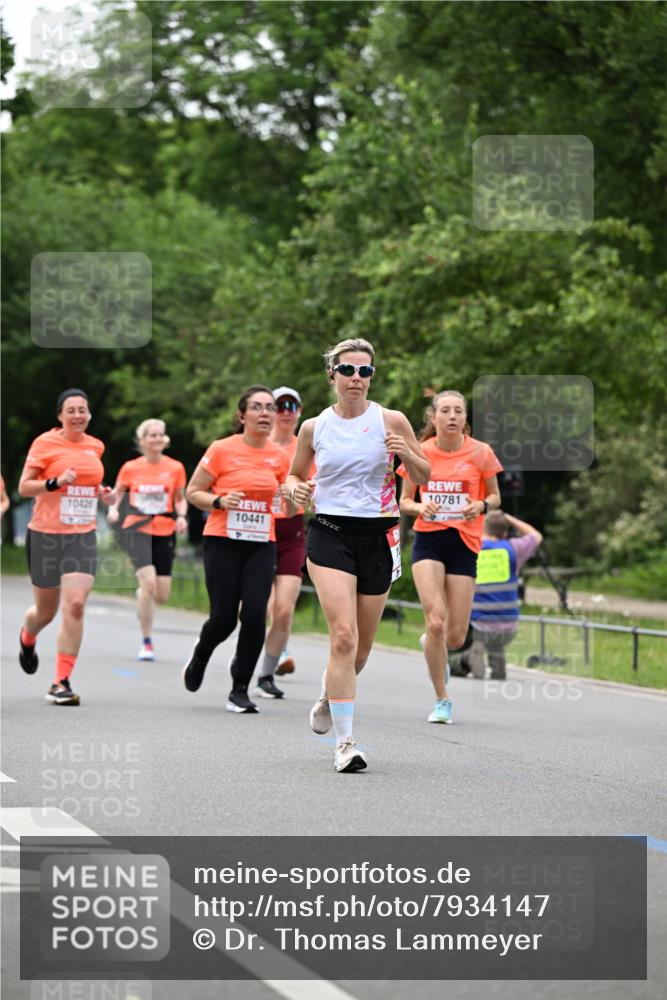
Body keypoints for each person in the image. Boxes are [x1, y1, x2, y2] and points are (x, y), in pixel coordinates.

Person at [287, 338, 430, 773]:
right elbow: (294, 475)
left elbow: (425, 473)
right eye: (348, 371)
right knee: (343, 637)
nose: (356, 379)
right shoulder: (315, 427)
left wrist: (407, 454)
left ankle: (331, 695)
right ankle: (345, 743)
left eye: (365, 372)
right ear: (332, 375)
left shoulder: (391, 419)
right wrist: (295, 489)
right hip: (330, 532)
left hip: (380, 535)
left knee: (361, 649)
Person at [182, 386, 293, 713]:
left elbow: (286, 506)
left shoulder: (280, 456)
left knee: (257, 611)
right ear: (242, 416)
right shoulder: (221, 449)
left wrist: (295, 497)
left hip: (261, 543)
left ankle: (239, 687)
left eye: (269, 408)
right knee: (223, 619)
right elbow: (193, 491)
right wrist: (219, 501)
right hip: (222, 541)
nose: (265, 413)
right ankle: (202, 652)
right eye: (257, 407)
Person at [399, 390, 502, 724]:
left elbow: (496, 497)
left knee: (455, 636)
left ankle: (433, 641)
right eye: (446, 410)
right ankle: (442, 698)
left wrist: (481, 505)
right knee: (436, 620)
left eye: (458, 410)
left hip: (465, 543)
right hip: (428, 540)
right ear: (434, 417)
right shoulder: (421, 453)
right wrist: (419, 506)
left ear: (464, 417)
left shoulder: (481, 452)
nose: (452, 416)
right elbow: (404, 502)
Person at [17, 389, 113, 705]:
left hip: (81, 535)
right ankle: (28, 637)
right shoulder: (45, 444)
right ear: (60, 415)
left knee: (75, 604)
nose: (78, 416)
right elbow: (24, 487)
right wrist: (54, 483)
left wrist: (104, 495)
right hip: (45, 534)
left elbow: (89, 485)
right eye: (71, 410)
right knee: (45, 612)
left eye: (83, 410)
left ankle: (61, 682)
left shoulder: (95, 446)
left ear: (89, 414)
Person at [107, 419, 188, 661]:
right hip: (136, 529)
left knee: (161, 594)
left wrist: (182, 516)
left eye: (160, 435)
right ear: (142, 440)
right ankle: (146, 642)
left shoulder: (175, 468)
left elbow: (180, 498)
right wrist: (112, 509)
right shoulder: (130, 467)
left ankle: (142, 592)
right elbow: (117, 494)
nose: (157, 439)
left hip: (165, 530)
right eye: (152, 435)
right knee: (150, 586)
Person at [264, 386, 313, 682]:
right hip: (258, 532)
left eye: (291, 406)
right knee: (262, 606)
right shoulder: (256, 445)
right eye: (279, 405)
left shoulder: (305, 448)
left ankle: (278, 654)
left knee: (284, 608)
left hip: (292, 531)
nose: (285, 412)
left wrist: (294, 496)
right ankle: (268, 654)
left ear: (299, 412)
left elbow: (311, 497)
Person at [467, 510, 543, 679]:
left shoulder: (473, 547)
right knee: (496, 643)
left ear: (483, 528)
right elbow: (536, 536)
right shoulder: (513, 548)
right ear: (505, 532)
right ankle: (497, 665)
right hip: (508, 623)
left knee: (475, 632)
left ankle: (475, 653)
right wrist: (509, 518)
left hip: (479, 621)